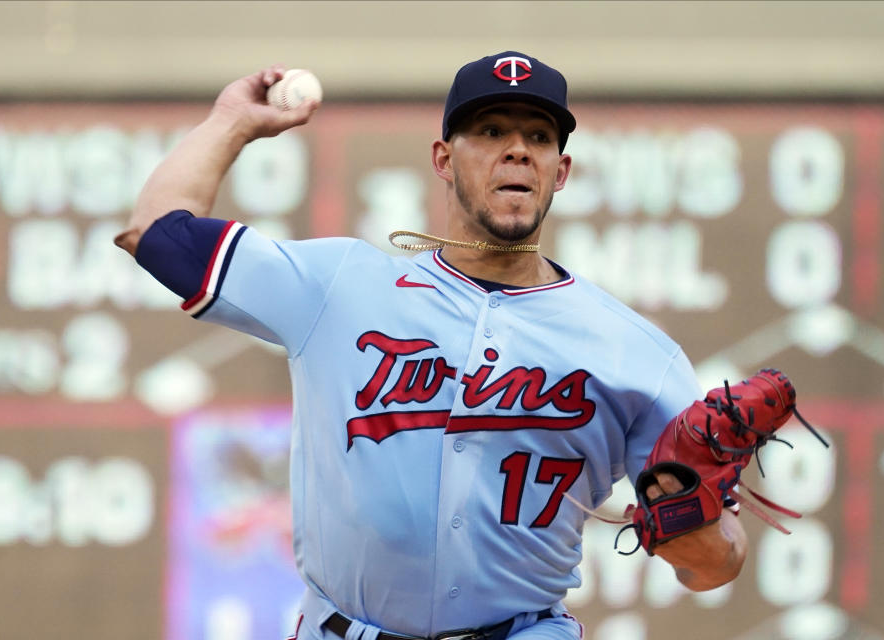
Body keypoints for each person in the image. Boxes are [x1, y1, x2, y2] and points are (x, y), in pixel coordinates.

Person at [116, 51, 746, 640]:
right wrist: (230, 123)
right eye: (492, 131)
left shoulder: (636, 353)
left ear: (562, 170)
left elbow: (713, 568)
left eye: (539, 137)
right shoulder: (340, 287)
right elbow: (159, 233)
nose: (518, 152)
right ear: (444, 159)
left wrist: (692, 523)